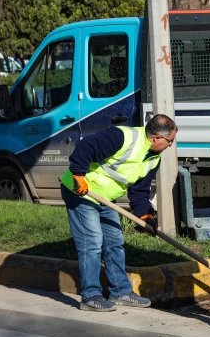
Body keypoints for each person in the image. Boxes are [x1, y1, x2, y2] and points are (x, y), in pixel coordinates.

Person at [60, 114, 177, 312]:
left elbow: (140, 190)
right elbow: (86, 147)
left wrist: (145, 215)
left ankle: (120, 291)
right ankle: (90, 296)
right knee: (92, 241)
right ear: (157, 138)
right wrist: (79, 175)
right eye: (170, 141)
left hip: (106, 198)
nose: (170, 145)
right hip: (81, 191)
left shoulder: (153, 158)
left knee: (114, 241)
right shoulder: (123, 137)